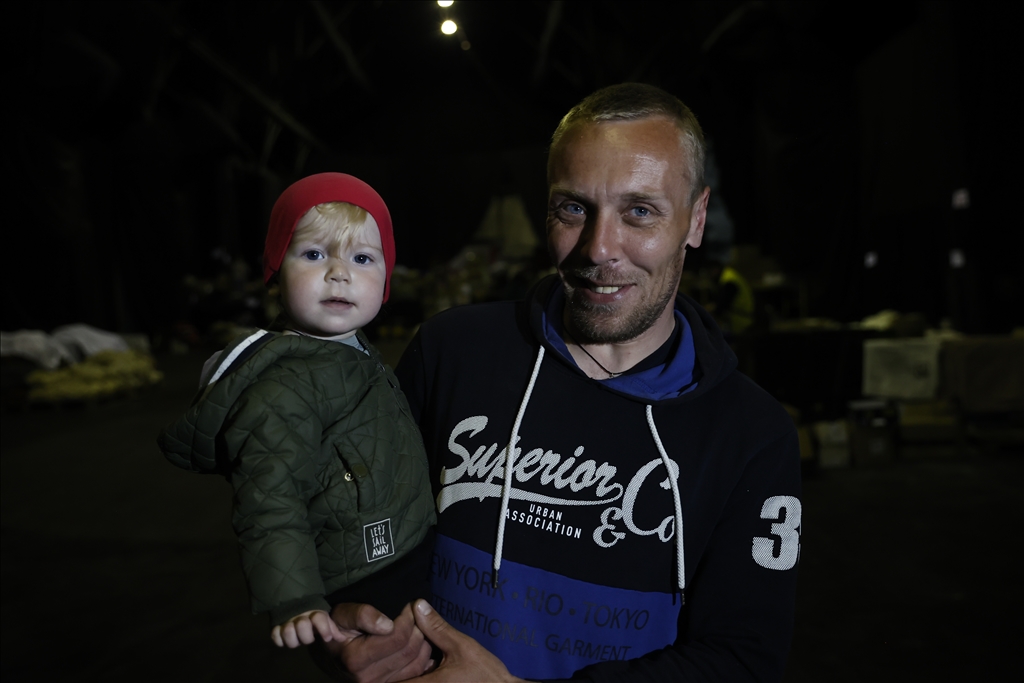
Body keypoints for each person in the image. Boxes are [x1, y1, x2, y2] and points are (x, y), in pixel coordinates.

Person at [328, 83, 801, 682]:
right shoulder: (452, 353)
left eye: (640, 211)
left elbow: (743, 660)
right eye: (573, 208)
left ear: (696, 218)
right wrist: (349, 620)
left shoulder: (752, 434)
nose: (599, 249)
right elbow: (364, 528)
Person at [158, 173, 436, 650]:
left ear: (385, 280)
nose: (339, 273)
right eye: (313, 254)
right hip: (361, 572)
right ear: (275, 272)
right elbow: (270, 498)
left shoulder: (353, 350)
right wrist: (295, 598)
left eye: (362, 258)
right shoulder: (282, 386)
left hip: (403, 547)